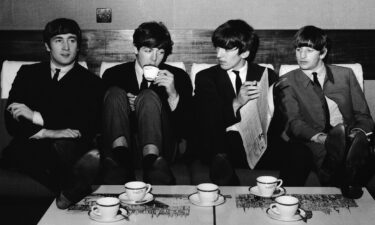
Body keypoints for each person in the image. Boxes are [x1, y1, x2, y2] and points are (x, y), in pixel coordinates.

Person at [2, 18, 103, 209]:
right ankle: (72, 187)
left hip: (68, 147)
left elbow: (84, 123)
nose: (66, 47)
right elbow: (11, 120)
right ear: (47, 46)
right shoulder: (27, 73)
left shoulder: (91, 82)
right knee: (22, 149)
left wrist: (35, 116)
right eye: (58, 40)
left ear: (78, 45)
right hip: (30, 144)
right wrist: (48, 132)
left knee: (64, 145)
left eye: (72, 40)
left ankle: (69, 189)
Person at [278, 25, 374, 198]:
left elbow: (363, 115)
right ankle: (341, 177)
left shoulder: (345, 75)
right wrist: (323, 138)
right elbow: (294, 123)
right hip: (312, 138)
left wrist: (357, 136)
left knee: (355, 152)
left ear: (322, 53)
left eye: (309, 50)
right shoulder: (287, 81)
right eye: (299, 50)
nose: (302, 56)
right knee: (321, 157)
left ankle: (346, 171)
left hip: (348, 137)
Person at [101, 21, 193, 185]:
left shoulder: (178, 77)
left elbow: (186, 128)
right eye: (148, 50)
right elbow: (100, 122)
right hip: (125, 147)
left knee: (148, 96)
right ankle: (121, 163)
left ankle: (152, 165)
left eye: (160, 52)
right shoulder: (113, 75)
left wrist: (172, 94)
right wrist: (126, 108)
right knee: (115, 93)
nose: (154, 58)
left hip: (162, 151)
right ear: (135, 49)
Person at [193, 19, 280, 185]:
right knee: (221, 147)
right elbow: (208, 121)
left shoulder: (265, 75)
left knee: (298, 150)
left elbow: (277, 121)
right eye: (217, 47)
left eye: (226, 49)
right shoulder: (206, 77)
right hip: (221, 145)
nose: (219, 54)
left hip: (259, 146)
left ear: (245, 52)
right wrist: (237, 102)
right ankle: (230, 185)